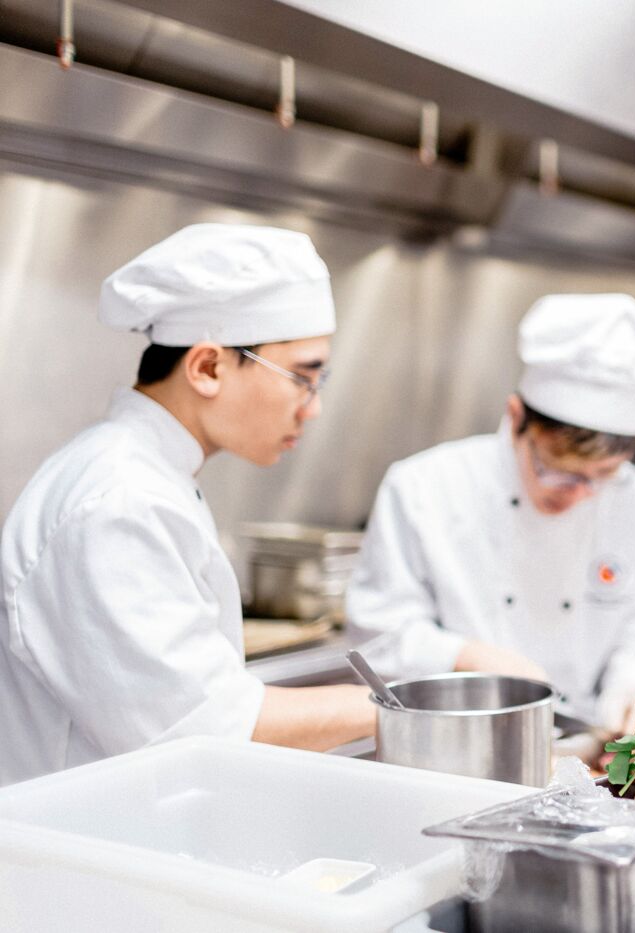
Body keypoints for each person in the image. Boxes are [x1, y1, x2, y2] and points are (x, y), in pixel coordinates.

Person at [0, 224, 376, 786]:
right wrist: (386, 708)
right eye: (302, 378)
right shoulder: (118, 502)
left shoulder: (146, 476)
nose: (312, 408)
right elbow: (203, 726)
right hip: (81, 853)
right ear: (206, 367)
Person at [346, 293, 635, 732]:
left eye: (603, 474)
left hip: (584, 746)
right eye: (558, 473)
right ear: (515, 419)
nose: (580, 494)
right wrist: (467, 658)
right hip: (452, 737)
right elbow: (378, 637)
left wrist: (633, 698)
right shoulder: (424, 487)